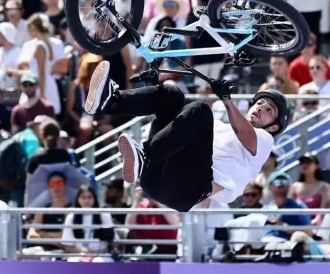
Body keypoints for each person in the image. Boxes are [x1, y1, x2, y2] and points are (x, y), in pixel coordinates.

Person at [84, 61, 290, 213]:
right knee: (172, 96)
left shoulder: (264, 140)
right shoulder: (220, 128)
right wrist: (154, 88)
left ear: (273, 127)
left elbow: (244, 133)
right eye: (260, 103)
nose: (261, 108)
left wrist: (227, 100)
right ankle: (111, 103)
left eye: (269, 110)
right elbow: (178, 130)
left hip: (185, 191)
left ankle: (145, 156)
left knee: (200, 111)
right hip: (156, 177)